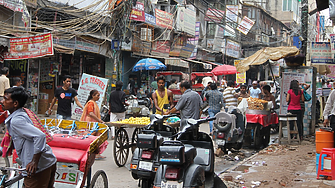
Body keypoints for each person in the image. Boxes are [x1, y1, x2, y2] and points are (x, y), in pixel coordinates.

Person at [1, 87, 56, 188]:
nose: (2, 101)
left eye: (6, 99)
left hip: (38, 168)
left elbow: (40, 136)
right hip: (47, 162)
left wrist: (34, 161)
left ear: (15, 103)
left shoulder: (16, 120)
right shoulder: (22, 113)